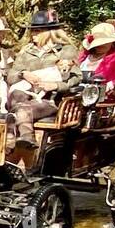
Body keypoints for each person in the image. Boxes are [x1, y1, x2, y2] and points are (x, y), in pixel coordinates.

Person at [6, 8, 79, 149]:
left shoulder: (66, 50)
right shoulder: (26, 51)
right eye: (32, 31)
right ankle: (21, 140)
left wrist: (55, 85)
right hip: (22, 97)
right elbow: (10, 77)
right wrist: (23, 74)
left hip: (50, 101)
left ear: (49, 32)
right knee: (17, 97)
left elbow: (76, 78)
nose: (33, 34)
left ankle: (25, 138)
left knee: (20, 110)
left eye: (38, 31)